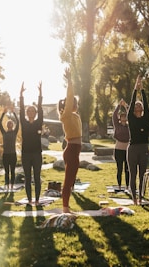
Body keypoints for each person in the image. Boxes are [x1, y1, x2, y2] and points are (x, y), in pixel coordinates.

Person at [58, 68, 82, 213]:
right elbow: (70, 95)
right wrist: (69, 81)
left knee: (71, 180)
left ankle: (67, 206)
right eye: (73, 102)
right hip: (71, 150)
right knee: (68, 181)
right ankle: (65, 209)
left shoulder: (75, 116)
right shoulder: (65, 114)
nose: (76, 104)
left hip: (75, 151)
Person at [127, 75, 149, 205]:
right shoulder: (131, 119)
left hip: (144, 148)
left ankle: (141, 197)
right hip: (133, 149)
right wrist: (135, 90)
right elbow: (130, 105)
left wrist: (143, 91)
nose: (137, 108)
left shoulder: (145, 119)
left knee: (142, 175)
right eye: (136, 107)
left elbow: (146, 105)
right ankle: (134, 199)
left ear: (141, 110)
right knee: (133, 174)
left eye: (139, 107)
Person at [19, 81, 43, 206]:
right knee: (27, 178)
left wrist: (40, 94)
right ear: (27, 113)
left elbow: (41, 109)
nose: (31, 113)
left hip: (37, 154)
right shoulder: (24, 122)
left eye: (33, 111)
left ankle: (37, 200)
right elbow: (21, 110)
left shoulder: (39, 122)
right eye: (29, 111)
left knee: (37, 178)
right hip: (26, 154)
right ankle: (29, 200)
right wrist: (21, 95)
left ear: (35, 113)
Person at [0, 106, 19, 191]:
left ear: (12, 125)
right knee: (6, 171)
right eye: (8, 124)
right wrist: (4, 113)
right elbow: (0, 123)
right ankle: (7, 185)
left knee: (12, 171)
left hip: (13, 154)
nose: (9, 125)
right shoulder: (4, 133)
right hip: (5, 155)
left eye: (11, 124)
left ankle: (12, 185)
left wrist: (14, 112)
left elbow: (18, 122)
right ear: (7, 125)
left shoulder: (14, 132)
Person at [112, 98, 130, 191]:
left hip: (127, 150)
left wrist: (126, 106)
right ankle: (119, 186)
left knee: (127, 169)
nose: (123, 117)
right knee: (119, 169)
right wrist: (119, 105)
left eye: (125, 116)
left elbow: (132, 115)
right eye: (122, 116)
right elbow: (114, 115)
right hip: (118, 149)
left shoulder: (129, 126)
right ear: (120, 118)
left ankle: (127, 186)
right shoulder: (117, 125)